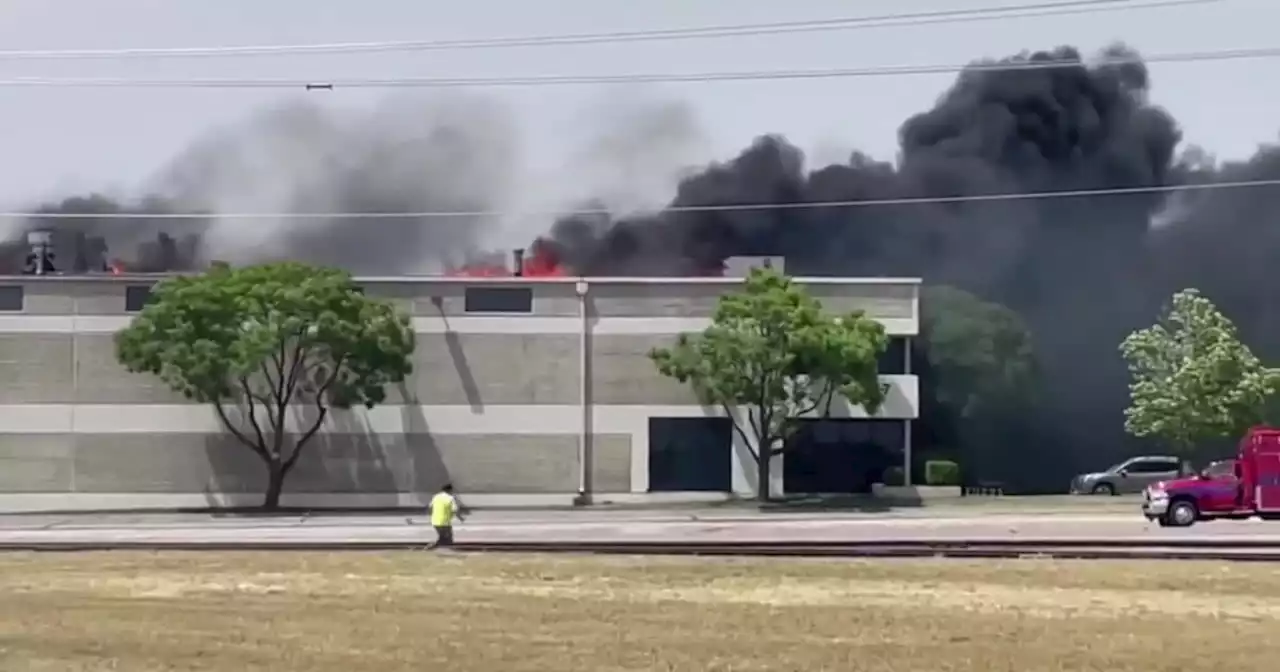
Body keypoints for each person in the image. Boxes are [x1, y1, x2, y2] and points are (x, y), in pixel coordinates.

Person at [426, 483, 464, 550]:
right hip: (445, 522)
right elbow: (455, 510)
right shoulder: (450, 498)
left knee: (443, 537)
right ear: (450, 490)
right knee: (447, 538)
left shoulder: (436, 496)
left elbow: (430, 507)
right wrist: (460, 518)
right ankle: (432, 547)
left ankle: (433, 547)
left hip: (435, 521)